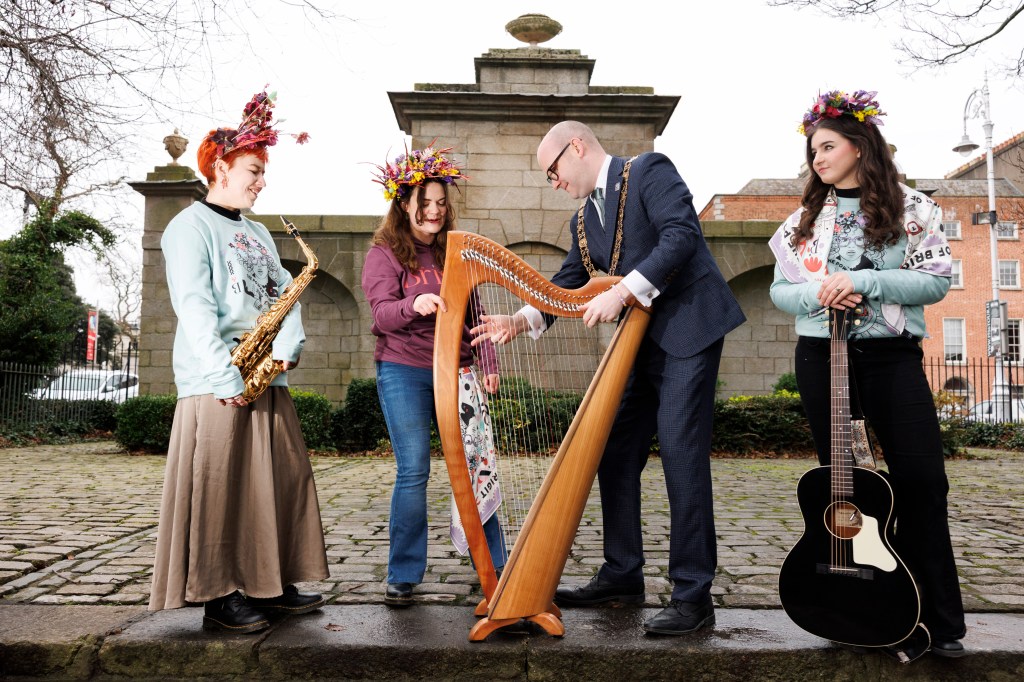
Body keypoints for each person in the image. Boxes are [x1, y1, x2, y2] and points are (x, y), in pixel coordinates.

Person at [473, 120, 745, 635]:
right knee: (615, 448)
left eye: (553, 171)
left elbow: (682, 236)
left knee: (681, 454)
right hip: (638, 342)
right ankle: (623, 574)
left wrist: (621, 293)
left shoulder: (648, 171)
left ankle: (693, 596)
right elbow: (565, 284)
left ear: (576, 146)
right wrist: (519, 320)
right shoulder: (584, 220)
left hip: (690, 328)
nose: (554, 182)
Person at [769, 90, 966, 658]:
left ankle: (937, 620)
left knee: (922, 482)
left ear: (859, 146)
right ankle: (860, 612)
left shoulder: (914, 210)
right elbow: (781, 291)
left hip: (891, 359)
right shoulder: (804, 220)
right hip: (821, 358)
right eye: (813, 151)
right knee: (846, 490)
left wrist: (863, 281)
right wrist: (818, 292)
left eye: (827, 147)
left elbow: (935, 282)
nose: (818, 158)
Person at [148, 89, 328, 633]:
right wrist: (224, 374)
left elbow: (283, 293)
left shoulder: (258, 232)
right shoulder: (188, 228)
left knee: (279, 482)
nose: (261, 181)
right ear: (221, 168)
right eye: (254, 170)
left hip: (264, 374)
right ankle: (218, 595)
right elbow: (194, 308)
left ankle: (271, 583)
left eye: (263, 172)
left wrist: (288, 343)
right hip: (217, 378)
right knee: (220, 490)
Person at [362, 145, 507, 607]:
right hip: (403, 369)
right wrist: (414, 304)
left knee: (475, 466)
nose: (434, 211)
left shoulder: (455, 252)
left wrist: (488, 363)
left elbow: (475, 313)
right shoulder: (384, 254)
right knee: (414, 470)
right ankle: (403, 574)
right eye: (425, 203)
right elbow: (381, 316)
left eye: (441, 203)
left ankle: (496, 566)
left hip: (458, 371)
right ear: (404, 204)